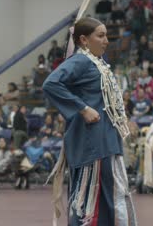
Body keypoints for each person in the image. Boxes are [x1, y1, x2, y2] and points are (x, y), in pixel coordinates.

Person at [42, 17, 137, 225]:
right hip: (92, 144)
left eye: (106, 35)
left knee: (109, 198)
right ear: (84, 40)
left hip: (107, 141)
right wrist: (82, 108)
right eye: (100, 35)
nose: (106, 40)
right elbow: (50, 84)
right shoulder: (81, 60)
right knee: (90, 202)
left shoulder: (99, 63)